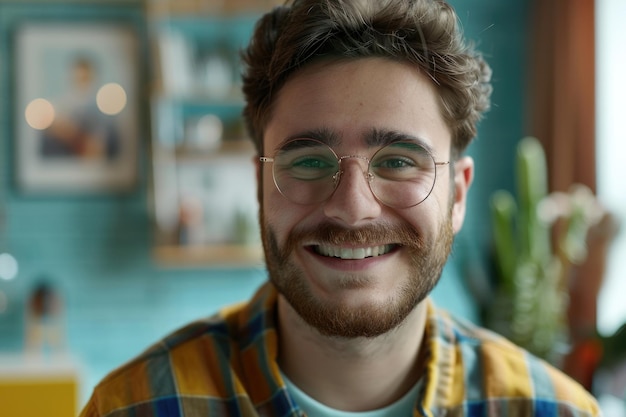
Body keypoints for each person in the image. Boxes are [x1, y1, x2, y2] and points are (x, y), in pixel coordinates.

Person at [80, 0, 601, 416]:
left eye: (398, 161)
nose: (352, 209)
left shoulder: (552, 410)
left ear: (458, 194)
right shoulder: (134, 406)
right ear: (260, 186)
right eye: (307, 161)